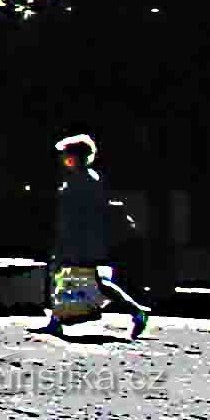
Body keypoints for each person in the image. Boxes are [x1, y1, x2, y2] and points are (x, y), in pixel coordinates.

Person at [43, 133, 150, 338]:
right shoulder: (84, 179)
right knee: (76, 279)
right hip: (82, 240)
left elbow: (79, 215)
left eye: (66, 155)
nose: (63, 160)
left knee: (73, 277)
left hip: (80, 241)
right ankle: (55, 320)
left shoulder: (83, 181)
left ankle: (137, 311)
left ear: (75, 157)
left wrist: (65, 241)